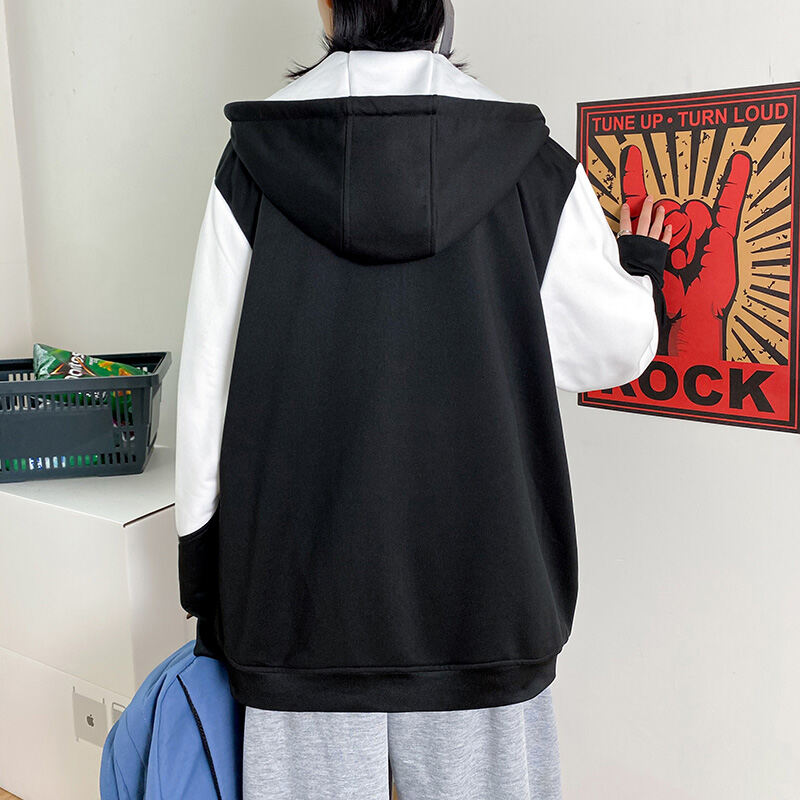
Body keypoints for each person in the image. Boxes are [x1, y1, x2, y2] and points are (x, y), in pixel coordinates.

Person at [174, 1, 672, 798]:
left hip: (298, 606)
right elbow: (609, 350)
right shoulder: (529, 162)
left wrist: (205, 579)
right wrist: (640, 264)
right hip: (486, 597)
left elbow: (207, 381)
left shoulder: (255, 161)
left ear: (329, 5)